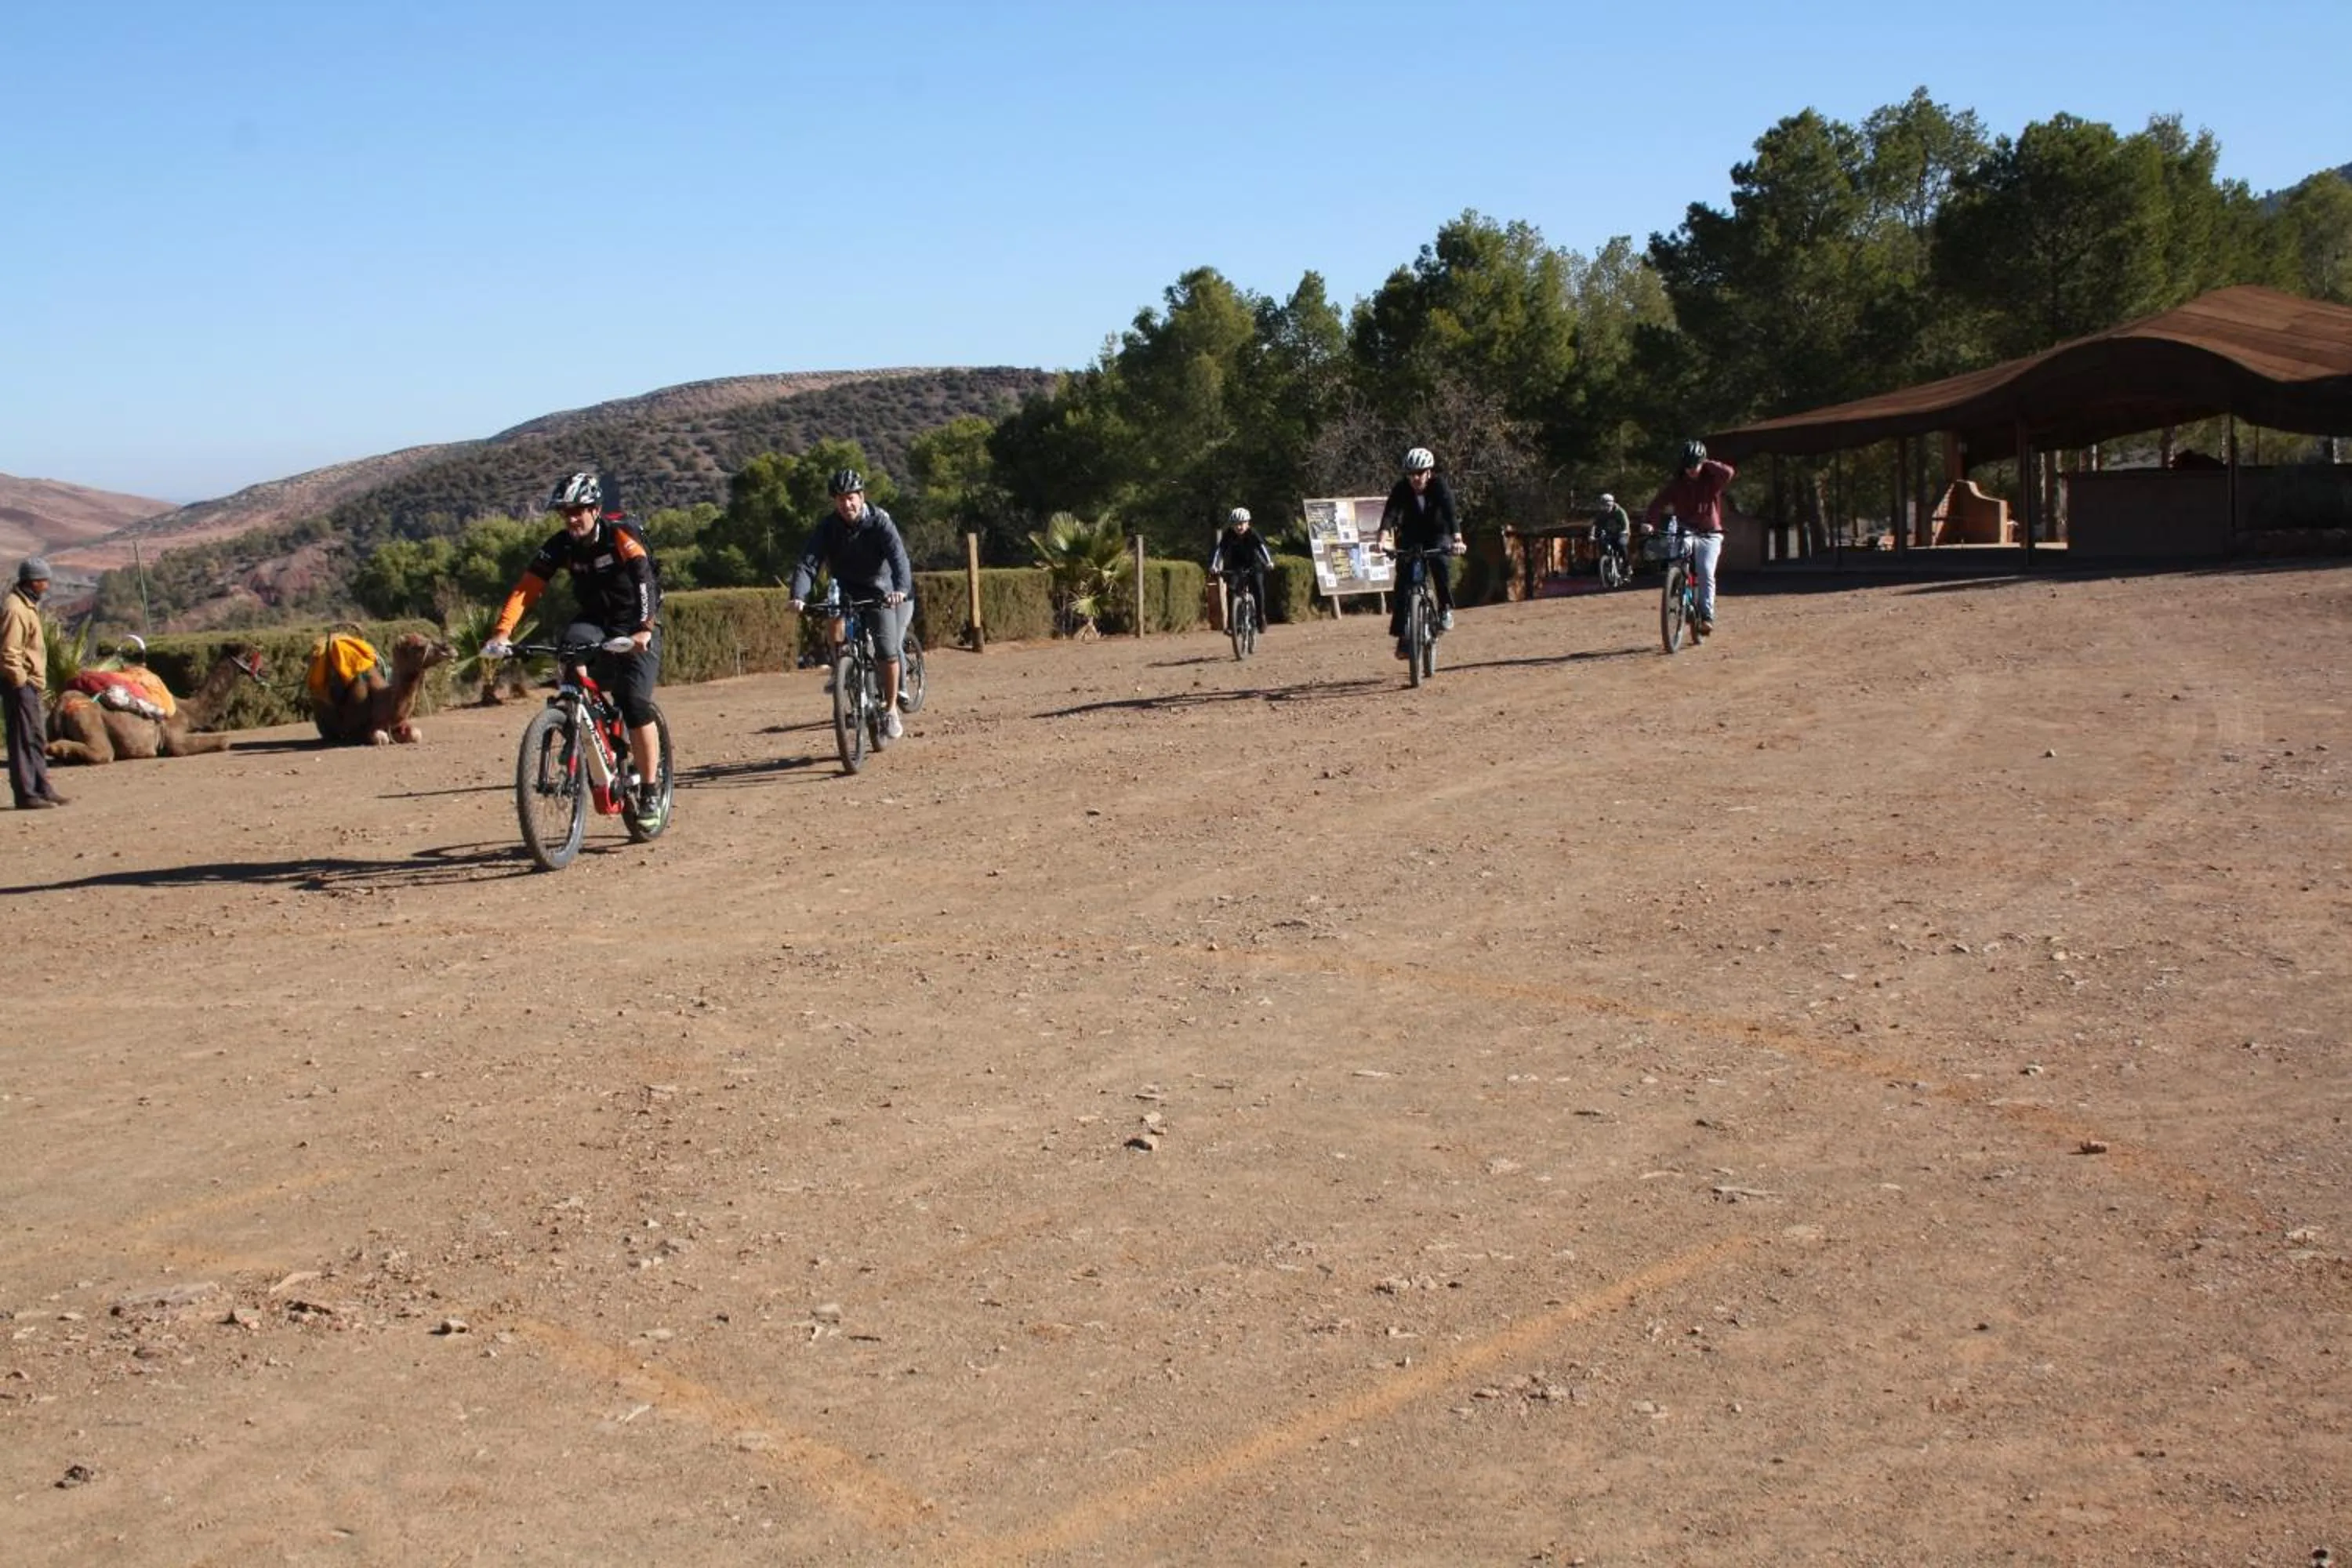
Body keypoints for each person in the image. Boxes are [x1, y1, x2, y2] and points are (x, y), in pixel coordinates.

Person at [481, 472, 666, 826]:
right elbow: (527, 589)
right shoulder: (560, 545)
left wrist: (644, 629)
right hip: (595, 619)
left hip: (636, 621)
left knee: (633, 701)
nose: (571, 518)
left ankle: (651, 792)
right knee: (569, 650)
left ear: (596, 509)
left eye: (578, 510)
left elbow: (644, 580)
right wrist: (502, 633)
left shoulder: (620, 536)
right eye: (565, 512)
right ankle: (576, 716)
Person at [789, 470, 913, 739]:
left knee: (886, 650)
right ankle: (841, 668)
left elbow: (898, 559)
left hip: (880, 587)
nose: (847, 505)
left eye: (851, 498)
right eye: (841, 499)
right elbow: (808, 563)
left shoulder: (880, 522)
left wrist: (900, 590)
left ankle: (891, 710)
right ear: (835, 502)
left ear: (862, 497)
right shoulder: (828, 527)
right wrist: (798, 595)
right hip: (845, 586)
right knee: (832, 612)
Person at [1376, 446, 1465, 659]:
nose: (1415, 478)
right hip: (1412, 536)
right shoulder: (1401, 489)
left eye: (1419, 473)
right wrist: (1382, 539)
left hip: (1438, 533)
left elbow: (1450, 512)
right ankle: (1403, 637)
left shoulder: (1439, 486)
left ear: (1429, 472)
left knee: (1441, 564)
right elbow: (1390, 514)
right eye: (1411, 474)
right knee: (1403, 583)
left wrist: (1457, 539)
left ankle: (1445, 609)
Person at [1642, 440, 1737, 634]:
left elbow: (1728, 473)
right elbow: (1657, 504)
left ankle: (1706, 616)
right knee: (1678, 559)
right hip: (1685, 529)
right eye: (1688, 466)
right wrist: (1650, 522)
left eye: (1695, 466)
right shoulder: (1677, 485)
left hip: (1711, 534)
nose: (1692, 470)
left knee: (1706, 571)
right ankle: (1678, 590)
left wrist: (1706, 462)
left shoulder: (1711, 481)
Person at [2, 557, 66, 808]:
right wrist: (20, 683)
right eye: (43, 581)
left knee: (36, 737)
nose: (46, 586)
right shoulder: (15, 609)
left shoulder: (27, 605)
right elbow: (10, 652)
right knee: (22, 739)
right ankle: (26, 794)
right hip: (20, 685)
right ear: (31, 582)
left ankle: (42, 787)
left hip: (30, 685)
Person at [1208, 507, 1273, 636]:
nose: (1239, 527)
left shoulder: (1252, 534)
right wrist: (1214, 565)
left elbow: (1262, 548)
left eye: (1242, 523)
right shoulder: (1229, 535)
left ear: (1248, 523)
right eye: (1235, 524)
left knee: (1258, 590)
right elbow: (1220, 551)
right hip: (1236, 566)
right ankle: (1233, 626)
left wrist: (1268, 562)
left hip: (1254, 566)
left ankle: (1260, 620)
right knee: (1232, 591)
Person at [1592, 492, 1632, 579]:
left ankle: (1627, 566)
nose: (1606, 507)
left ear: (1612, 503)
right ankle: (1606, 564)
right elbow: (1594, 525)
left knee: (1622, 545)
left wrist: (1625, 531)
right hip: (1609, 535)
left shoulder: (1620, 511)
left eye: (1608, 505)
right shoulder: (1601, 514)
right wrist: (1592, 535)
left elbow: (1626, 522)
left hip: (1622, 534)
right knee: (1602, 544)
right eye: (1604, 505)